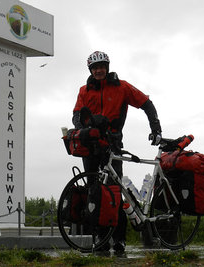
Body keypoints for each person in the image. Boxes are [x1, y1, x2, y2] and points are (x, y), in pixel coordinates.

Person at [72, 51, 162, 253]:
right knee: (94, 192)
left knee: (115, 191)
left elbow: (146, 103)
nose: (99, 70)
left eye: (102, 66)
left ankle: (119, 239)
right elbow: (76, 115)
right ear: (90, 70)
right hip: (91, 145)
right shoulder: (84, 90)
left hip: (112, 144)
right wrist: (82, 129)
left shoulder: (122, 87)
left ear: (108, 67)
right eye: (95, 68)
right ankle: (100, 238)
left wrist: (155, 127)